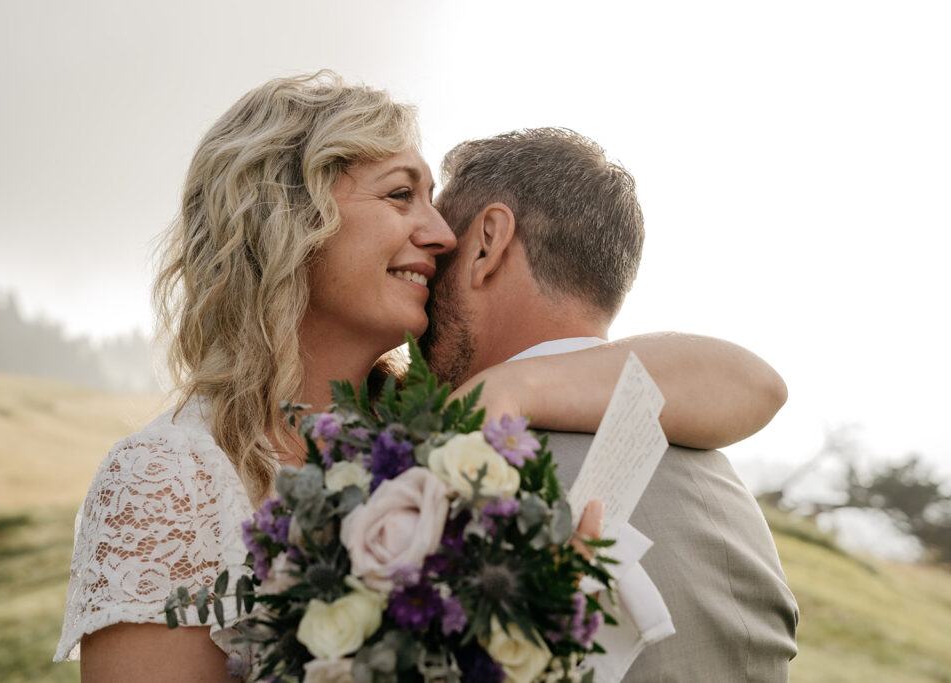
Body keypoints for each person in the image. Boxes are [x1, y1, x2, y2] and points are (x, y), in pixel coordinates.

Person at [54, 74, 787, 681]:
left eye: (434, 200)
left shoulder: (434, 433)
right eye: (402, 194)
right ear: (290, 219)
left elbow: (745, 380)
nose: (440, 233)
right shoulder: (168, 476)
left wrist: (509, 394)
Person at [422, 127, 800, 681]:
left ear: (486, 243)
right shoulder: (725, 495)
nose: (426, 274)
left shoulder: (459, 481)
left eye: (441, 249)